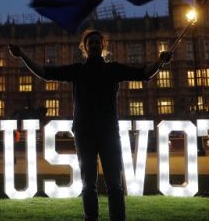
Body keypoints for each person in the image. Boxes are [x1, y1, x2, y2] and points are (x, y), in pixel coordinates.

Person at [9, 29, 172, 221]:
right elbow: (45, 73)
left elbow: (144, 73)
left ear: (102, 45)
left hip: (109, 133)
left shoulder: (113, 69)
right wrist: (22, 56)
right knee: (88, 184)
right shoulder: (78, 70)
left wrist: (160, 62)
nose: (94, 45)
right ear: (84, 48)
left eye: (97, 42)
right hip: (84, 133)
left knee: (115, 185)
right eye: (90, 43)